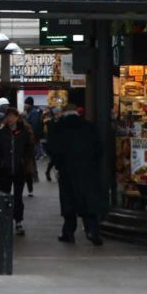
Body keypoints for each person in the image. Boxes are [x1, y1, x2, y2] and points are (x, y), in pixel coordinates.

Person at [46, 104, 104, 246]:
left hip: (67, 169)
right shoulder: (89, 126)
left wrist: (58, 165)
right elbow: (99, 148)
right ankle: (92, 230)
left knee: (68, 200)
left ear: (63, 113)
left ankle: (68, 232)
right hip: (87, 169)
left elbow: (52, 148)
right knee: (88, 200)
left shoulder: (58, 127)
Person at [0, 107, 35, 236]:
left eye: (12, 116)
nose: (10, 119)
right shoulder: (1, 133)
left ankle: (18, 221)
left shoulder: (24, 133)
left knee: (18, 197)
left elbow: (29, 148)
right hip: (5, 170)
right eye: (8, 116)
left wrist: (24, 160)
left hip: (19, 170)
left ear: (17, 117)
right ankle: (5, 220)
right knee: (5, 196)